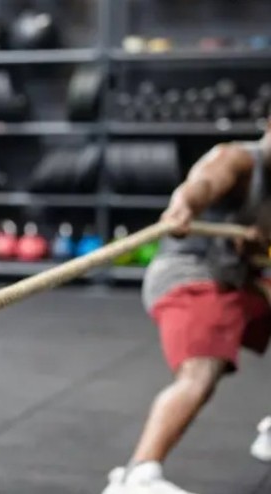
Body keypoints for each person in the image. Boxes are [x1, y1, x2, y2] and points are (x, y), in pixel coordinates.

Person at [102, 126, 271, 494]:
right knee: (201, 374)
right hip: (189, 275)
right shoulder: (239, 160)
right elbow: (205, 182)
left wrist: (258, 249)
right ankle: (138, 475)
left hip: (237, 280)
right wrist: (186, 204)